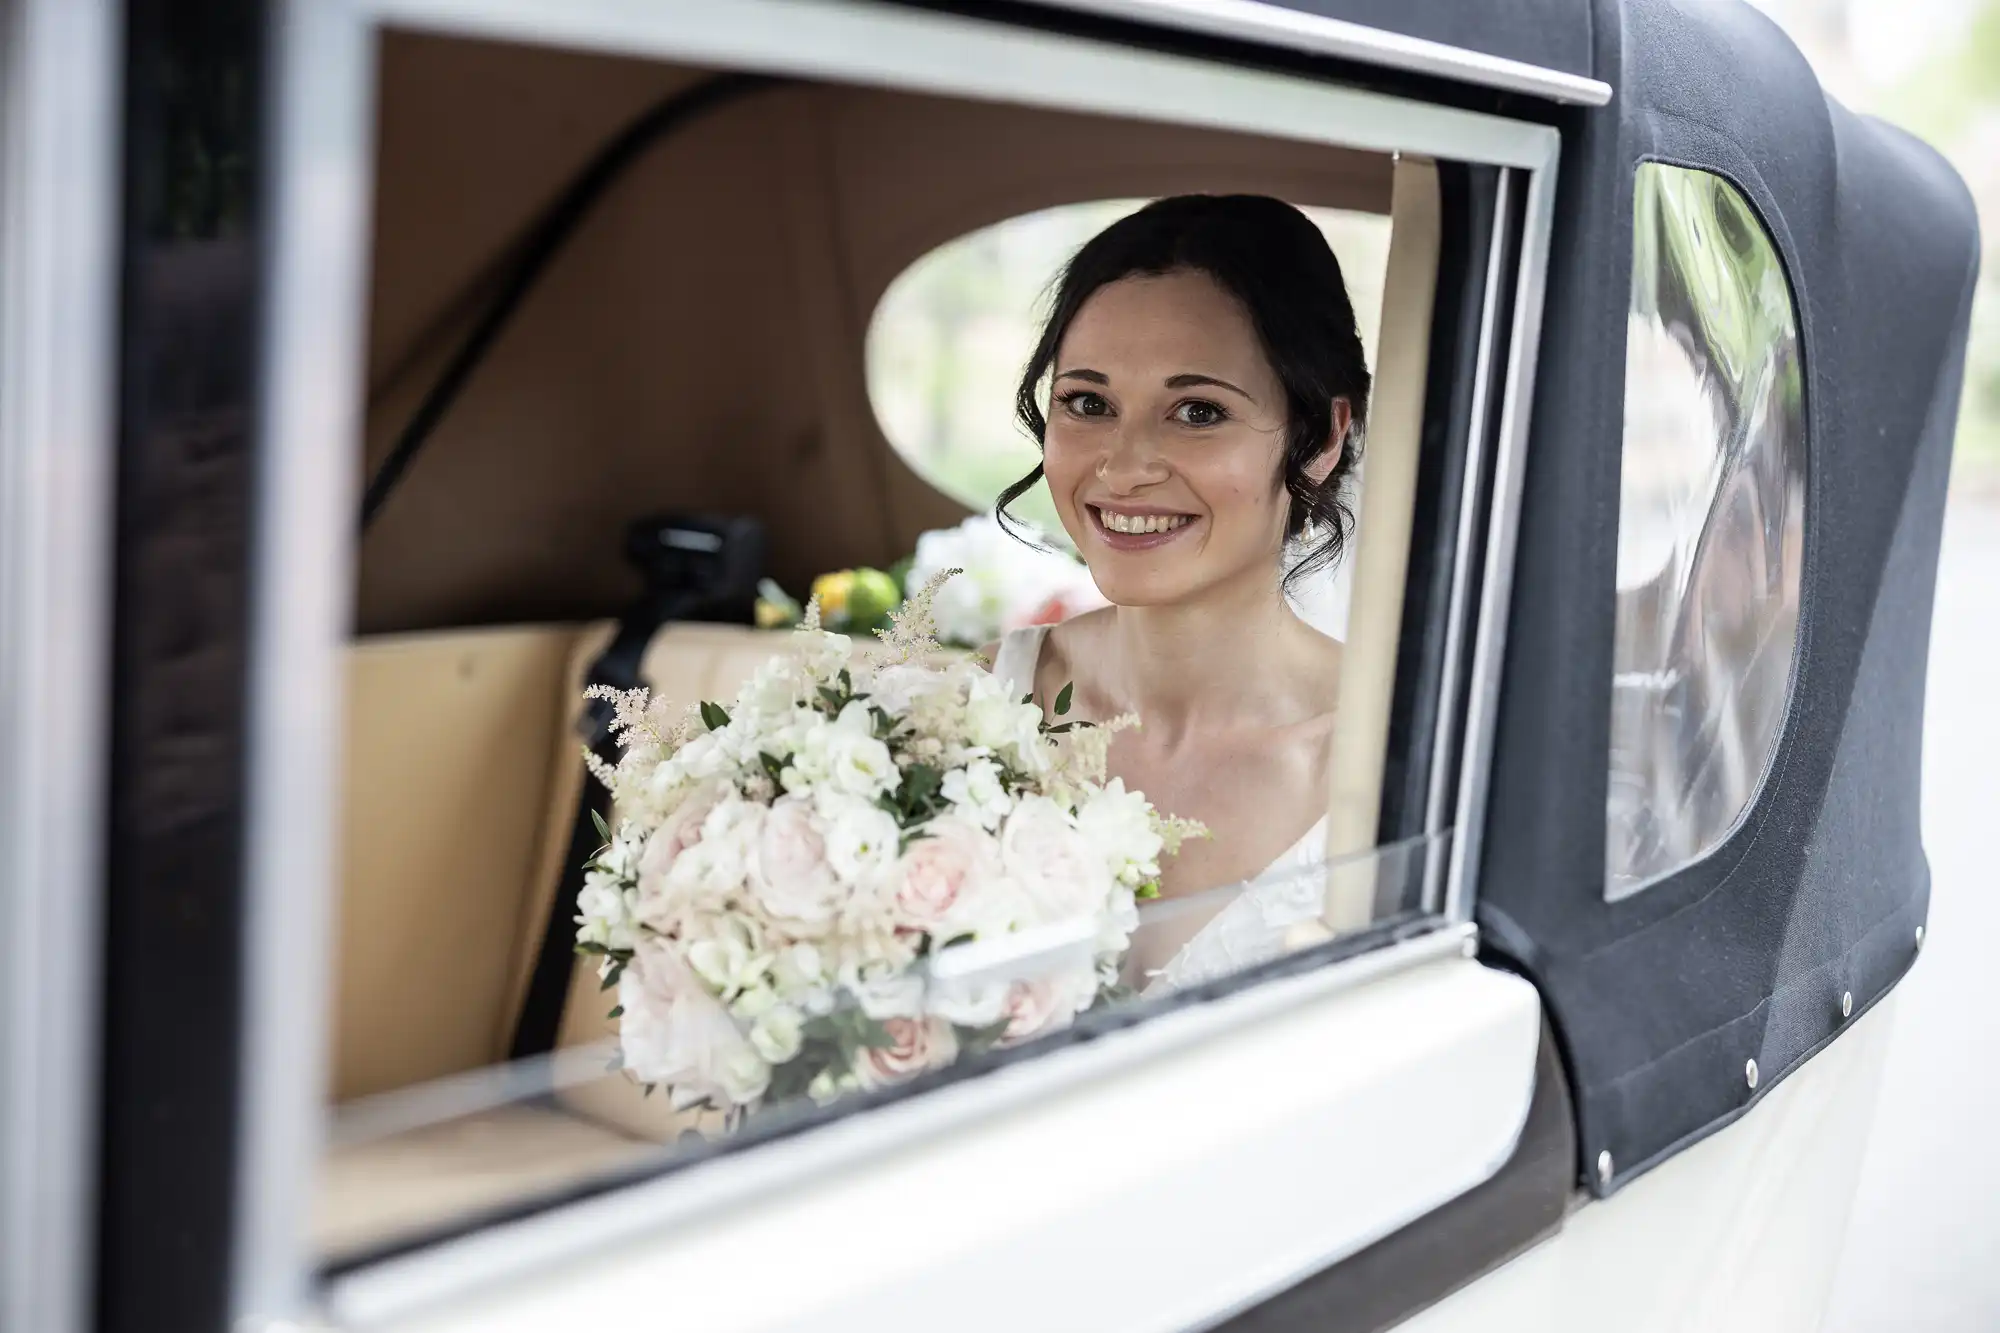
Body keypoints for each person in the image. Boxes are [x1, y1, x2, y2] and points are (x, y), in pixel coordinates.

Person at [983, 194, 1370, 993]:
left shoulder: (1381, 763)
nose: (1124, 468)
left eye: (1198, 411)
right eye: (1088, 403)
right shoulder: (968, 709)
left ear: (1324, 438)